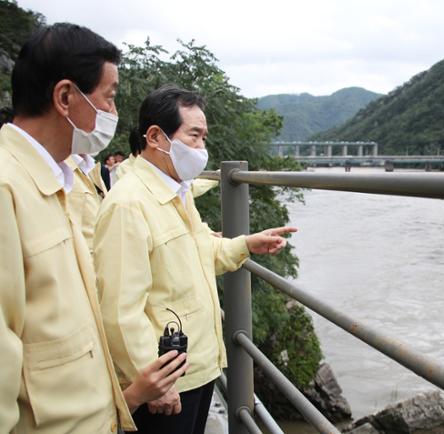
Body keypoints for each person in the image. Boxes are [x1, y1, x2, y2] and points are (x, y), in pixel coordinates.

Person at [0, 23, 187, 433]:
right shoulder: (7, 188)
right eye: (109, 96)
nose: (113, 112)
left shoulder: (58, 181)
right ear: (66, 97)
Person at [94, 84, 297, 434]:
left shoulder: (177, 191)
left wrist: (246, 244)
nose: (202, 148)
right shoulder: (128, 204)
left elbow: (200, 253)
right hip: (169, 379)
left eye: (204, 137)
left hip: (198, 365)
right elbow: (119, 309)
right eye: (194, 136)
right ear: (156, 137)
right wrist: (155, 380)